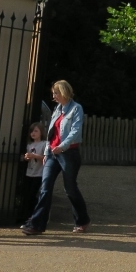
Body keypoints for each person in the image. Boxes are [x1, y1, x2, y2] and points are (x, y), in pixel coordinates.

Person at [22, 80, 90, 235]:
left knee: (70, 189)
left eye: (56, 93)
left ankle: (82, 220)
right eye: (53, 93)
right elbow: (51, 133)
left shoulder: (76, 109)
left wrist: (63, 146)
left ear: (64, 92)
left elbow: (75, 132)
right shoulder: (57, 109)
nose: (54, 96)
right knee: (45, 187)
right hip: (52, 153)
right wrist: (47, 152)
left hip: (69, 154)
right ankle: (36, 224)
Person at [21, 122, 47, 219]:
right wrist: (26, 158)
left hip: (38, 174)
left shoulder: (44, 144)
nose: (33, 133)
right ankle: (26, 216)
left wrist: (34, 156)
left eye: (36, 131)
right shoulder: (29, 145)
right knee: (27, 195)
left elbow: (45, 158)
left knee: (33, 195)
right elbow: (26, 157)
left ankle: (34, 216)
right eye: (32, 131)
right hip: (29, 172)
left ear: (41, 132)